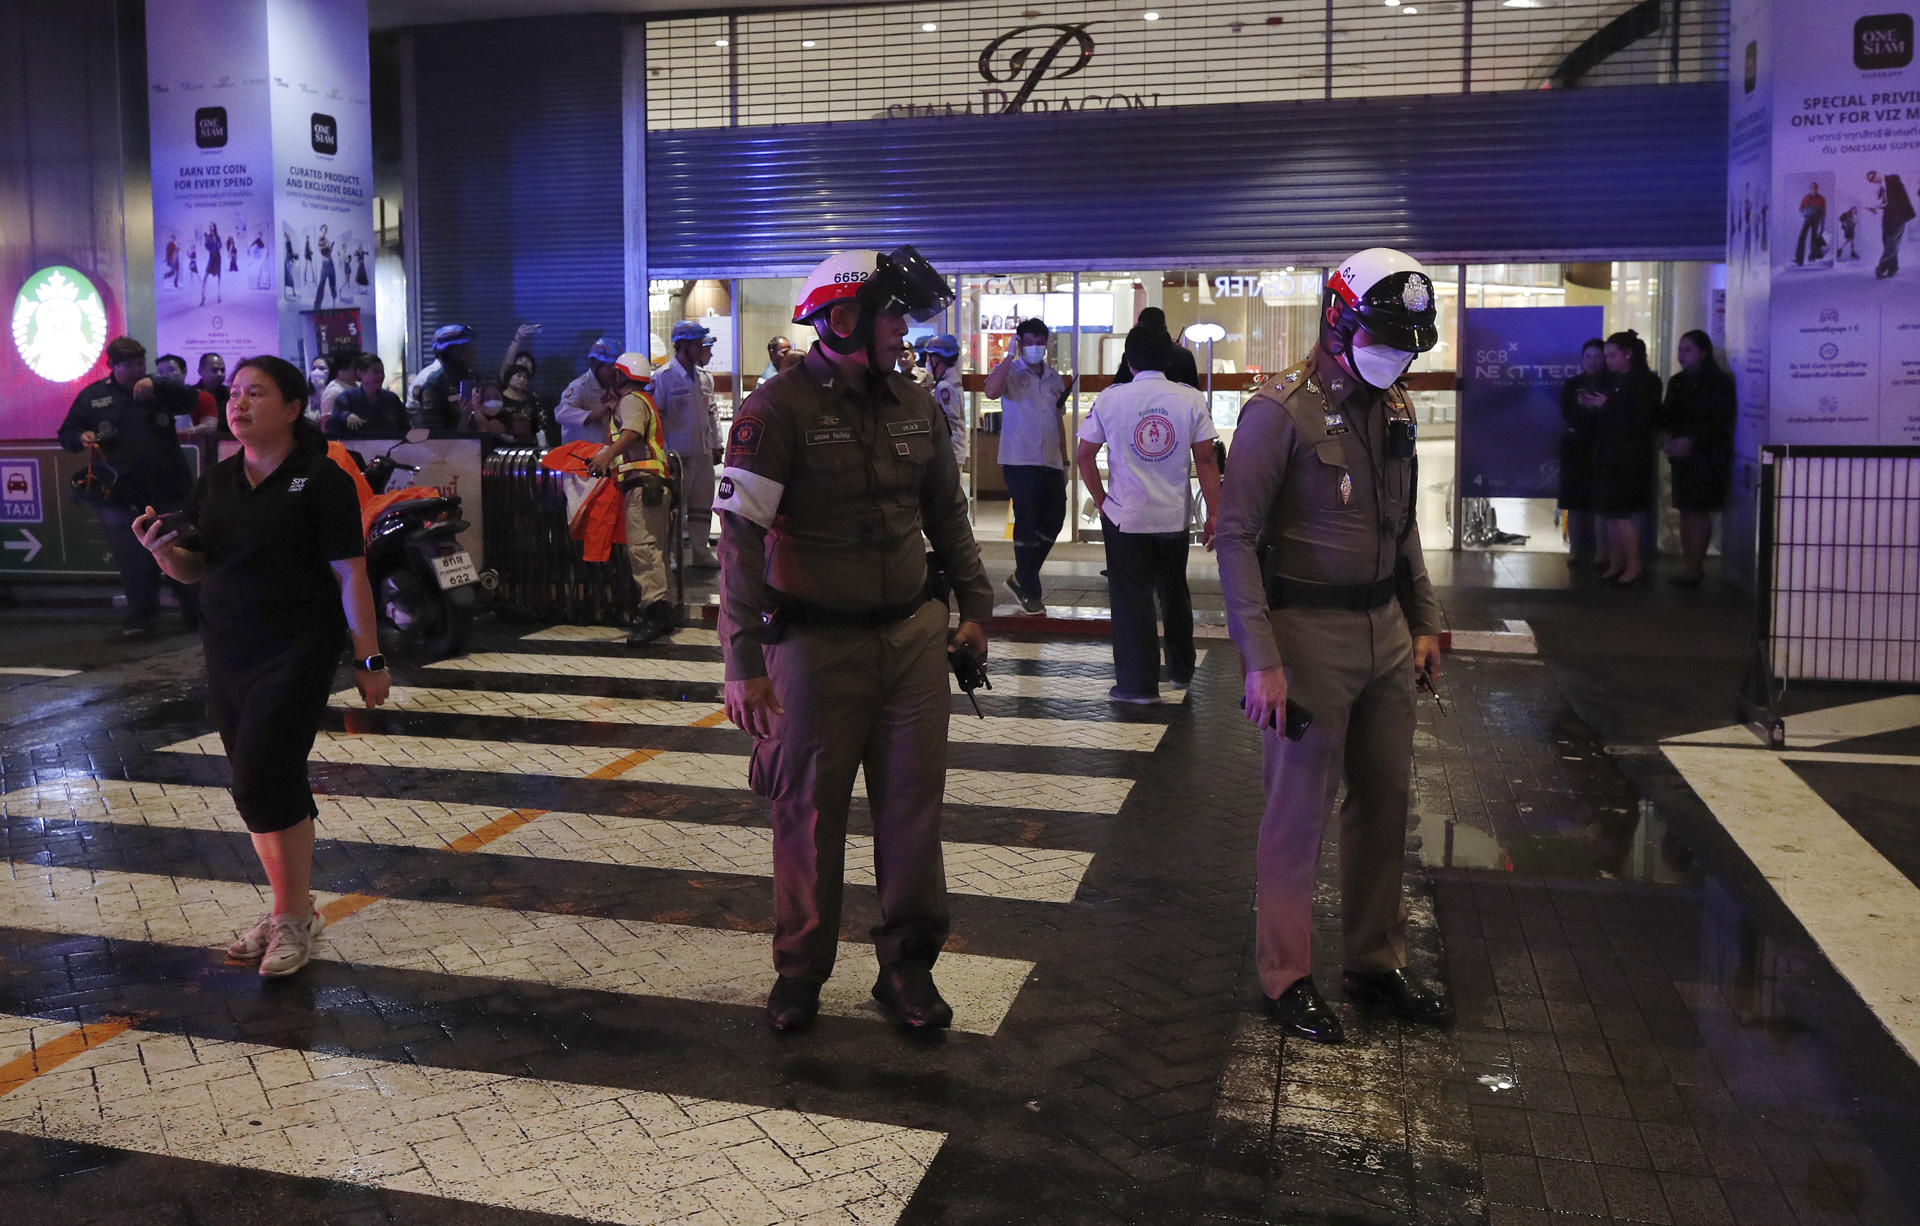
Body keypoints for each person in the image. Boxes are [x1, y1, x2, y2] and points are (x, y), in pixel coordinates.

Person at [715, 246, 992, 1035]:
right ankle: (800, 974)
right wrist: (742, 663)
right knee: (807, 813)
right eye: (894, 314)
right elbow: (737, 543)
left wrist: (975, 606)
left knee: (912, 810)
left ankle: (906, 970)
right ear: (843, 319)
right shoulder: (774, 411)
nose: (905, 330)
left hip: (911, 642)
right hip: (810, 648)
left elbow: (947, 515)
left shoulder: (918, 405)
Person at [1214, 247, 1452, 1044]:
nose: (1398, 356)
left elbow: (1404, 527)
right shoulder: (1277, 414)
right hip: (1306, 637)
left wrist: (1422, 622)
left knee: (1384, 806)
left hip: (1385, 632)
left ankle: (1374, 962)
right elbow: (1235, 538)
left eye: (1409, 342)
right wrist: (1262, 660)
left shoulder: (1395, 410)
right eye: (1386, 337)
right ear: (1337, 320)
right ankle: (1285, 977)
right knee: (1296, 818)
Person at [134, 354, 388, 978]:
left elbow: (349, 573)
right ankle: (292, 910)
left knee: (258, 775)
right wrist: (165, 558)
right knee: (264, 781)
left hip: (297, 648)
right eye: (235, 395)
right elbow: (200, 568)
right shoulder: (216, 483)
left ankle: (290, 917)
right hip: (227, 648)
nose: (239, 404)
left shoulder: (321, 479)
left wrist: (369, 656)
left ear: (294, 407)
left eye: (257, 394)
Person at [1076, 325, 1220, 704]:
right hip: (1174, 518)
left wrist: (1102, 500)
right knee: (1174, 590)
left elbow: (1083, 455)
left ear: (1129, 360)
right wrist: (1215, 514)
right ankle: (1181, 669)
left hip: (1126, 516)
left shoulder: (1110, 399)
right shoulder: (1189, 399)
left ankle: (1138, 685)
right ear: (1168, 359)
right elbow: (1206, 459)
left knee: (1132, 599)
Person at [57, 336, 201, 639]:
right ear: (114, 366)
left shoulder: (155, 388)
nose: (137, 370)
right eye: (130, 365)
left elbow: (191, 400)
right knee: (132, 557)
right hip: (120, 492)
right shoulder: (94, 397)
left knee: (181, 546)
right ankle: (142, 617)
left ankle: (198, 613)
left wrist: (159, 386)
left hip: (169, 486)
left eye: (140, 363)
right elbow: (66, 433)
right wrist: (80, 435)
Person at [588, 353, 676, 646]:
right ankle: (662, 610)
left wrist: (606, 455)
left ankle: (653, 613)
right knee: (655, 550)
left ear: (622, 376)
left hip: (643, 486)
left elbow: (632, 433)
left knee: (643, 550)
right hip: (654, 485)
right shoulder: (641, 400)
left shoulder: (631, 401)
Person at [982, 318, 1068, 614]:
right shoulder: (1010, 370)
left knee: (1055, 519)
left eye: (1040, 341)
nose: (1035, 347)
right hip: (1019, 459)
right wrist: (1008, 356)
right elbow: (991, 392)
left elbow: (1058, 420)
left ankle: (1022, 576)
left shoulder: (1054, 377)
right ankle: (1031, 588)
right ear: (1019, 342)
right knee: (1027, 521)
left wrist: (1064, 460)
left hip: (1051, 460)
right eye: (1029, 341)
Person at [1581, 330, 1661, 586]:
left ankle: (1633, 563)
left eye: (1612, 355)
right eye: (1607, 356)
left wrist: (1606, 406)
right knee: (1612, 513)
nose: (1608, 360)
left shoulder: (1645, 382)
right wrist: (1596, 406)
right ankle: (1618, 561)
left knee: (1622, 513)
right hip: (1611, 451)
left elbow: (1641, 419)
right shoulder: (1616, 380)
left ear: (1629, 354)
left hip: (1629, 455)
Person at [1659, 330, 1736, 588]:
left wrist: (1692, 440)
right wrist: (1668, 437)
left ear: (1703, 352)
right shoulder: (1677, 382)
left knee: (1698, 511)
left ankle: (1695, 566)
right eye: (1680, 350)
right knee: (1685, 511)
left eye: (1687, 350)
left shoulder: (1720, 382)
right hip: (1682, 455)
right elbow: (1667, 415)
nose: (1682, 355)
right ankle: (1688, 564)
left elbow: (1720, 421)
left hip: (1707, 456)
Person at [653, 320, 723, 569]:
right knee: (675, 506)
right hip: (677, 455)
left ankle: (700, 550)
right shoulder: (663, 378)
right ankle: (672, 554)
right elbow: (656, 417)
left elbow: (711, 412)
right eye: (696, 344)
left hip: (703, 452)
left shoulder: (705, 377)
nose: (701, 348)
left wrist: (716, 443)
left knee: (702, 503)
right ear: (683, 346)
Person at [1557, 339, 1607, 568]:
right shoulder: (1572, 384)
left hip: (1601, 448)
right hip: (1576, 450)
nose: (1593, 362)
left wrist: (1596, 409)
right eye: (1588, 357)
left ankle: (1602, 553)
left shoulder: (1612, 383)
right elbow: (1568, 414)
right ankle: (1576, 550)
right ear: (1582, 359)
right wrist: (1586, 410)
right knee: (1575, 503)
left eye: (1598, 356)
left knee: (1601, 502)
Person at [407, 324, 478, 431]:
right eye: (467, 348)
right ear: (453, 353)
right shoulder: (434, 385)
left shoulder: (471, 378)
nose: (473, 351)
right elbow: (435, 438)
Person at [1110, 306, 1202, 389]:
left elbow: (1119, 384)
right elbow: (1193, 386)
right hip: (1177, 403)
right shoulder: (1184, 355)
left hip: (1137, 402)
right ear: (1165, 326)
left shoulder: (1133, 352)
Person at [555, 339, 625, 445]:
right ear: (595, 365)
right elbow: (561, 414)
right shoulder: (580, 386)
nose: (614, 372)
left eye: (617, 368)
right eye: (610, 367)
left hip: (602, 453)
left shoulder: (613, 388)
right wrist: (591, 416)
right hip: (577, 455)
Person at [919, 334, 967, 474]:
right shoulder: (947, 383)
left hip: (948, 454)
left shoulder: (945, 387)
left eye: (929, 357)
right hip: (951, 453)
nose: (927, 362)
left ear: (937, 359)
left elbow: (947, 424)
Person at [329, 353, 408, 436]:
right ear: (360, 373)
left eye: (382, 372)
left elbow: (405, 428)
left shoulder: (392, 399)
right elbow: (331, 426)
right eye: (375, 372)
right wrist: (346, 416)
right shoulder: (347, 397)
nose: (380, 376)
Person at [1868, 170, 1915, 278]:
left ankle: (1882, 268)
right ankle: (1893, 268)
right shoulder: (1880, 189)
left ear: (1878, 173)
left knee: (1890, 243)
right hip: (1887, 218)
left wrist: (1904, 215)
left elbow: (1900, 197)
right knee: (1888, 243)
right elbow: (1886, 203)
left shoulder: (1893, 179)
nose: (1873, 181)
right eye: (1870, 181)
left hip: (1898, 217)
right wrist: (1875, 208)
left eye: (1873, 177)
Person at [1794, 183, 1827, 266]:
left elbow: (1823, 212)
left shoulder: (1821, 199)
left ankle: (1812, 256)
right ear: (1810, 188)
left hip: (1816, 219)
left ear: (1817, 188)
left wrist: (1823, 225)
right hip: (1808, 219)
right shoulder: (1806, 197)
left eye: (1815, 187)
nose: (1813, 189)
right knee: (1802, 237)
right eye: (1812, 188)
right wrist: (1807, 212)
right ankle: (1799, 259)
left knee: (1814, 237)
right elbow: (1801, 208)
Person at [199, 222, 223, 306]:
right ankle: (203, 296)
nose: (211, 228)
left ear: (215, 228)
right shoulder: (208, 237)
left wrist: (216, 242)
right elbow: (207, 247)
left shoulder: (217, 237)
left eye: (213, 226)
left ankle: (219, 294)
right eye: (210, 227)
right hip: (211, 257)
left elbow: (220, 247)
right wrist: (206, 241)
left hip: (218, 257)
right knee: (205, 276)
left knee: (219, 276)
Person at [314, 224, 337, 309]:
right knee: (321, 284)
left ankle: (334, 302)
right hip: (325, 265)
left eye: (326, 229)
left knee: (333, 283)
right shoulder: (320, 239)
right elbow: (323, 253)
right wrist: (329, 248)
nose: (325, 230)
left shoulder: (327, 240)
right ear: (321, 230)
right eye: (324, 229)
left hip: (331, 264)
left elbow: (329, 253)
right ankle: (317, 305)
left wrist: (331, 248)